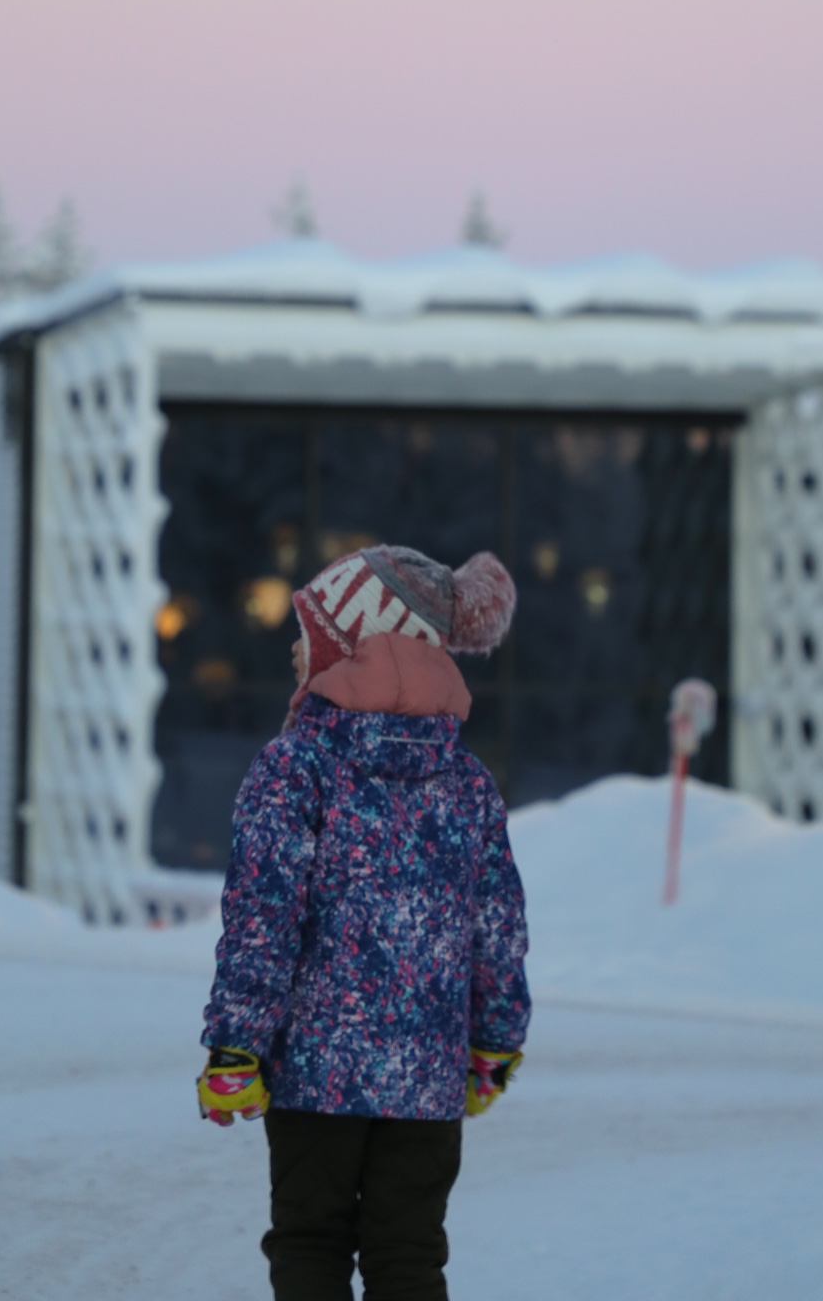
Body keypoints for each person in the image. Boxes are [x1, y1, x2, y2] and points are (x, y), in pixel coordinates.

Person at [197, 542, 531, 1301]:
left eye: (308, 631)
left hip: (317, 1078)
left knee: (311, 1244)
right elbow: (498, 925)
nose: (293, 647)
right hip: (427, 1085)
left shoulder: (296, 767)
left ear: (354, 642)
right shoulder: (468, 782)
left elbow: (263, 918)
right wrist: (495, 1039)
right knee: (409, 1256)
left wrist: (235, 1047)